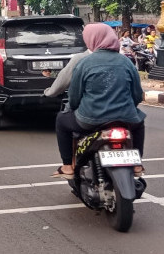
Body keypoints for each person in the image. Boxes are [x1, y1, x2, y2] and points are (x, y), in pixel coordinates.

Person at [52, 23, 145, 179]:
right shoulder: (126, 62)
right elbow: (137, 95)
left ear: (92, 40)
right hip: (126, 119)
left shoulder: (84, 63)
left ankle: (67, 166)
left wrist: (72, 108)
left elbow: (74, 97)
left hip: (91, 120)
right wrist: (130, 110)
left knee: (61, 120)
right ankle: (137, 164)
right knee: (139, 123)